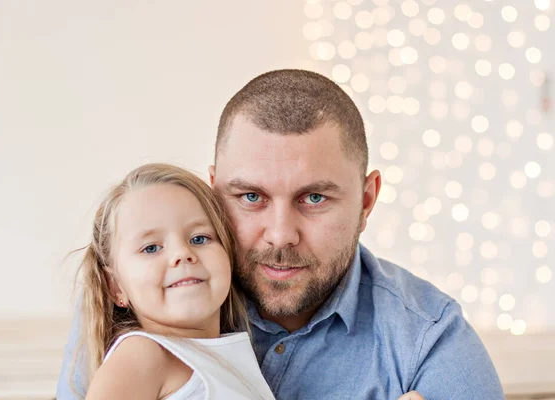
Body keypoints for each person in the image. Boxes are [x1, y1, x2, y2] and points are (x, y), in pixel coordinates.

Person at [58, 70, 504, 399]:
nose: (280, 234)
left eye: (314, 198)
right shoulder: (139, 312)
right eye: (251, 196)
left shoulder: (428, 339)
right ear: (214, 194)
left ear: (366, 201)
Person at [70, 163, 275, 399]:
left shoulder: (235, 360)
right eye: (151, 248)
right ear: (114, 286)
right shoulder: (143, 355)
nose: (182, 253)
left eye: (199, 238)